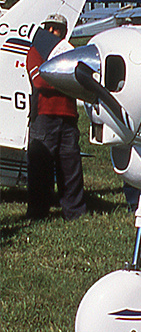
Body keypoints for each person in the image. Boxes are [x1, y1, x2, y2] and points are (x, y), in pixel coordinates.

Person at [25, 14, 87, 220]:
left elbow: (81, 81)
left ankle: (75, 213)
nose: (53, 32)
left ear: (64, 31)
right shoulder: (35, 51)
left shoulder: (71, 53)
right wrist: (65, 81)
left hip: (68, 116)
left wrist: (61, 80)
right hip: (44, 116)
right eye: (49, 28)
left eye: (57, 28)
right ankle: (38, 212)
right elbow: (40, 82)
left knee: (71, 167)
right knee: (40, 167)